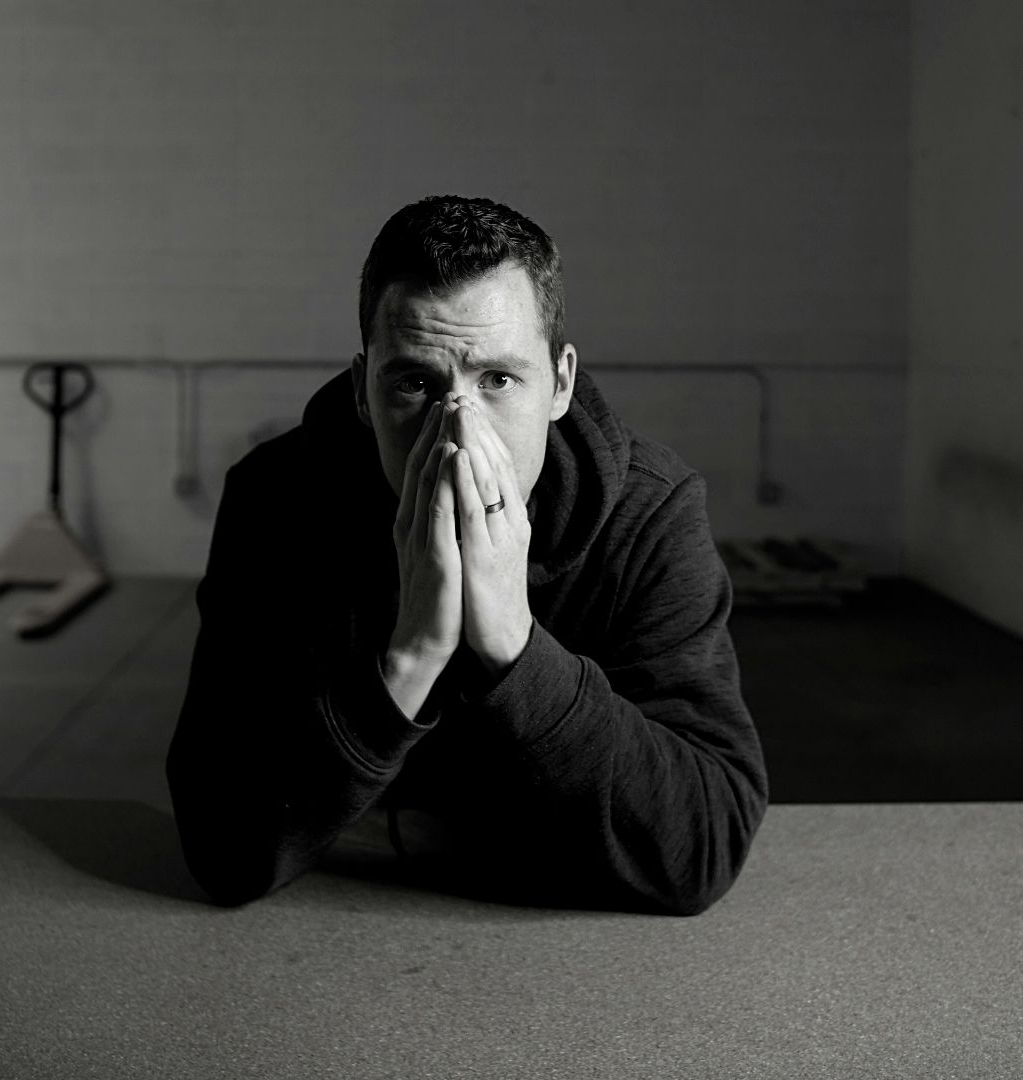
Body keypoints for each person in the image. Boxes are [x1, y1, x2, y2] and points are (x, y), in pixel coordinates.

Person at [165, 194, 768, 916]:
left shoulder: (650, 514)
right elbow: (222, 850)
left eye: (499, 380)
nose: (457, 433)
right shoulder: (275, 502)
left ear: (561, 384)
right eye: (415, 384)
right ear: (363, 391)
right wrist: (411, 656)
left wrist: (513, 643)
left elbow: (702, 848)